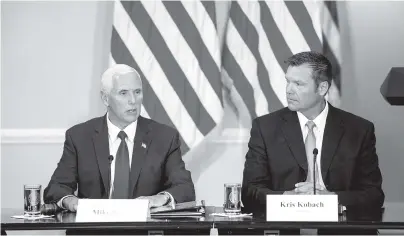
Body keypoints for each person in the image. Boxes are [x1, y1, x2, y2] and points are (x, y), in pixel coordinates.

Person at [242, 51, 384, 214]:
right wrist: (286, 198)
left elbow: (374, 195)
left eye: (298, 84)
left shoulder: (358, 130)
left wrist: (330, 198)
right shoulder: (265, 127)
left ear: (322, 88)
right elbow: (250, 191)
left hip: (339, 229)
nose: (289, 90)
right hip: (285, 228)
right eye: (288, 82)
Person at [44, 64, 195, 212]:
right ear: (105, 98)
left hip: (145, 230)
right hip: (94, 230)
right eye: (123, 93)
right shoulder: (79, 137)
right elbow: (56, 188)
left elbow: (184, 188)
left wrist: (159, 199)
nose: (133, 100)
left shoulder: (164, 137)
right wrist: (72, 202)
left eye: (137, 92)